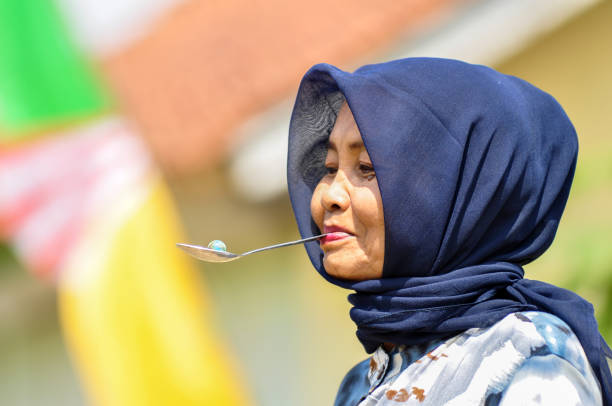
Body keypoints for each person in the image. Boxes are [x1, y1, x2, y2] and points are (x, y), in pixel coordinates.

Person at [286, 58, 612, 405]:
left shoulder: (530, 359)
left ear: (455, 193)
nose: (329, 196)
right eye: (330, 167)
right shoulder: (359, 386)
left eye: (367, 168)